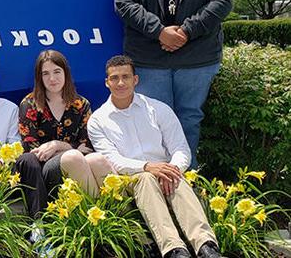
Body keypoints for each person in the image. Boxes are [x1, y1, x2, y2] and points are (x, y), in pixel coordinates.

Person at [114, 0, 232, 168]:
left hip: (197, 59)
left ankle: (184, 177)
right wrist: (160, 32)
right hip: (150, 59)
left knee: (189, 117)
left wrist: (186, 31)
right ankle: (158, 178)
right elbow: (123, 2)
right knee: (154, 120)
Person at [88, 56, 223, 258]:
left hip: (165, 172)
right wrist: (148, 167)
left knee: (175, 176)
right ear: (107, 82)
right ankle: (174, 250)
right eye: (114, 78)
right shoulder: (98, 120)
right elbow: (112, 160)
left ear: (136, 80)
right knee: (145, 179)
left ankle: (206, 246)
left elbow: (180, 148)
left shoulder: (158, 109)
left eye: (126, 77)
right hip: (129, 178)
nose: (121, 83)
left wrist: (171, 168)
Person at [15, 50, 113, 217]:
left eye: (57, 72)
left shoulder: (81, 104)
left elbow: (87, 146)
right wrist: (69, 150)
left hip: (79, 163)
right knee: (73, 156)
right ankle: (100, 216)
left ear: (66, 73)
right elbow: (31, 148)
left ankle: (122, 218)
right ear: (39, 77)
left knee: (97, 159)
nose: (52, 79)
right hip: (45, 172)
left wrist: (58, 145)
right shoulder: (30, 104)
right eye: (45, 73)